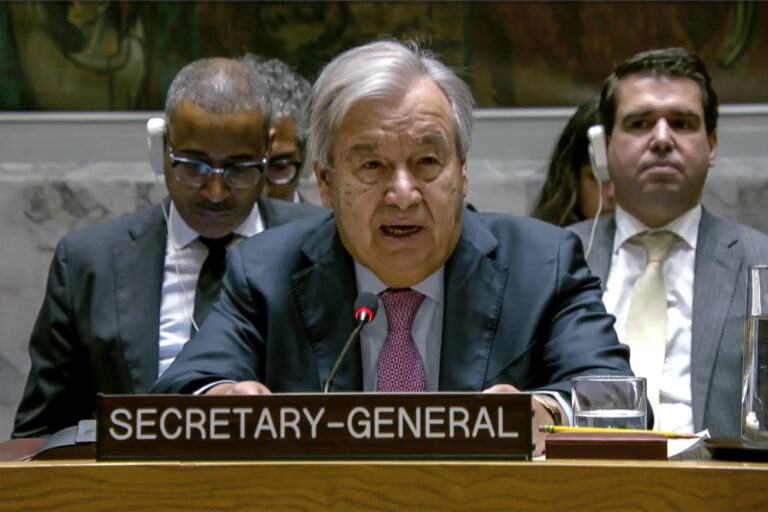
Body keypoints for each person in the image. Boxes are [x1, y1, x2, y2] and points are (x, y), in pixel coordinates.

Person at [153, 40, 633, 456]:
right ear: (325, 181)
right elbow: (179, 392)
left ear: (462, 172)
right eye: (372, 166)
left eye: (427, 161)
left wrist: (548, 409)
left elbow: (621, 398)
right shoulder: (264, 272)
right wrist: (220, 397)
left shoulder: (543, 264)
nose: (403, 194)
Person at [13, 57, 322, 438]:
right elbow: (39, 435)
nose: (215, 192)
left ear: (267, 149)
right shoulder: (88, 262)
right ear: (161, 148)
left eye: (240, 168)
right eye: (193, 167)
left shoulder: (319, 246)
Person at [570, 47, 768, 437]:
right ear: (605, 147)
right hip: (580, 487)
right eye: (640, 123)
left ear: (711, 145)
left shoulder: (760, 261)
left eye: (681, 122)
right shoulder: (556, 260)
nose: (662, 139)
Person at [531, 96, 615, 227]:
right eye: (597, 175)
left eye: (626, 178)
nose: (612, 194)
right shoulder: (542, 244)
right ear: (573, 180)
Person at [239, 54, 313, 203]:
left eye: (279, 168)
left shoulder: (334, 225)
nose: (263, 191)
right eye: (243, 168)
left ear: (303, 154)